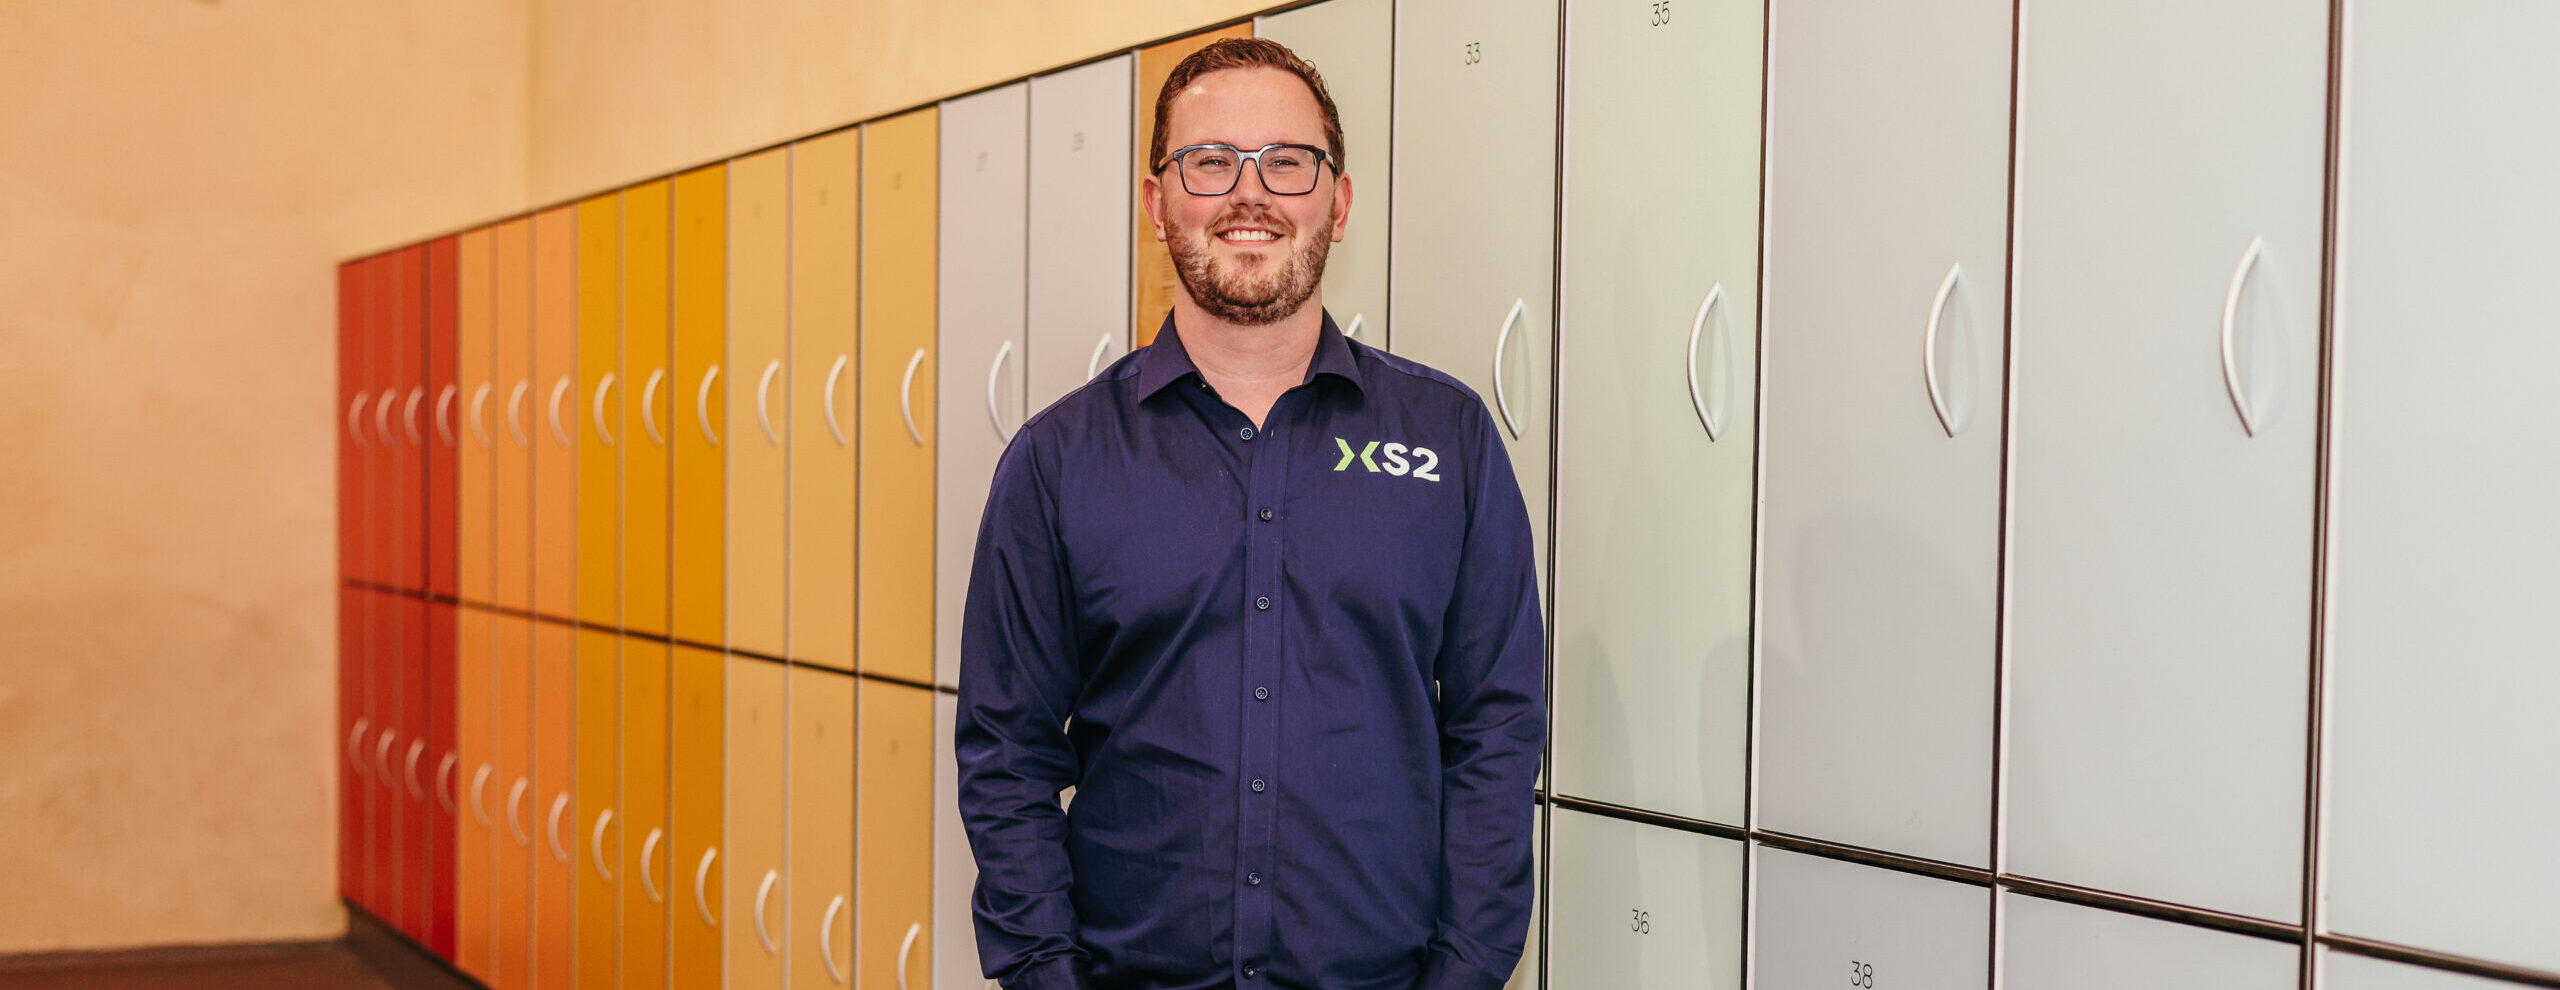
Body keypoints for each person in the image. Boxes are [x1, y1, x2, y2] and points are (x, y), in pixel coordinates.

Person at [955, 37, 1545, 990]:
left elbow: (1496, 730)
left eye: (1287, 162)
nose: (1250, 193)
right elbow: (1006, 755)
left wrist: (1465, 972)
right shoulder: (1057, 463)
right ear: (1157, 203)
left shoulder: (1451, 441)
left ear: (1338, 202)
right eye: (1209, 161)